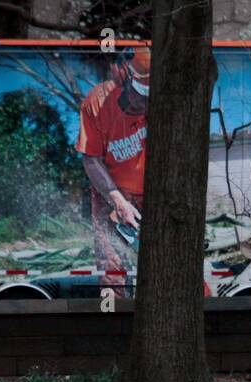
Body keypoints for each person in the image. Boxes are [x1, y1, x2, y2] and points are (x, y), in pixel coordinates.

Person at [75, 47, 150, 293]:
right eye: (140, 94)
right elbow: (91, 159)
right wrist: (117, 200)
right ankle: (115, 321)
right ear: (123, 77)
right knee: (112, 268)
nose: (143, 103)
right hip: (110, 191)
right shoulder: (96, 104)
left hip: (151, 189)